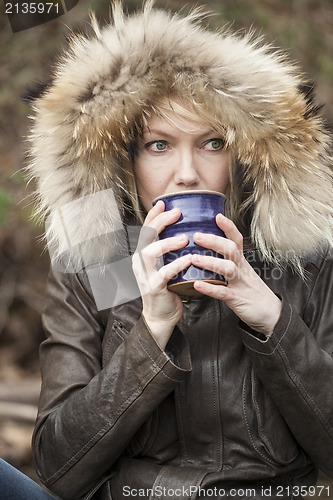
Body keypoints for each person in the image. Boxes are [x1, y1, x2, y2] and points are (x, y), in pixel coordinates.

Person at [24, 1, 333, 499]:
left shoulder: (301, 257)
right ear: (126, 158)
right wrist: (151, 330)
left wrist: (273, 324)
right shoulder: (95, 259)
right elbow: (60, 469)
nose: (186, 172)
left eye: (212, 143)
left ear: (243, 154)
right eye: (159, 145)